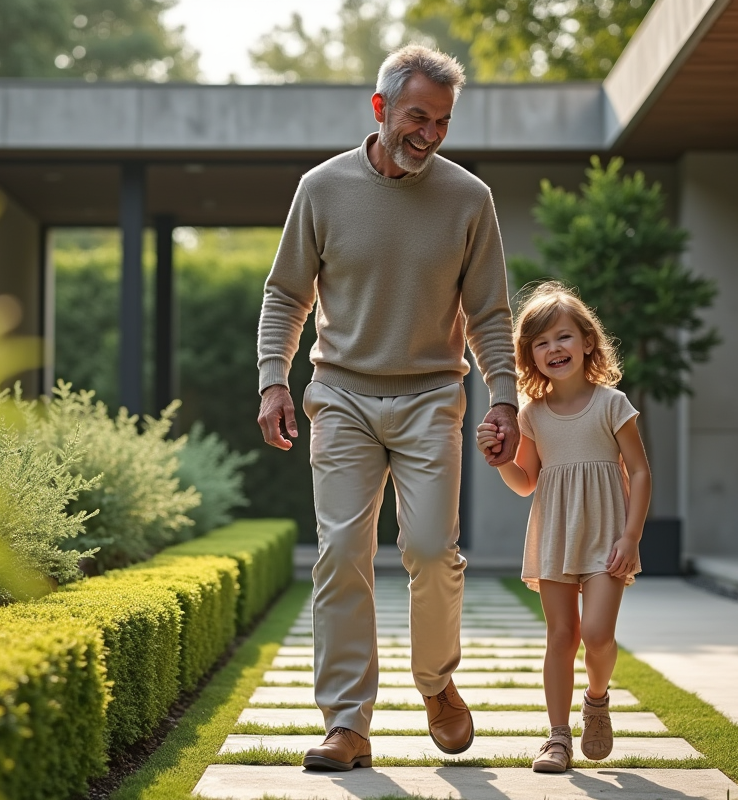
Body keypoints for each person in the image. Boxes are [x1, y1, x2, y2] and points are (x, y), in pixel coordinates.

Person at [256, 45, 520, 771]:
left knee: (432, 551)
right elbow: (286, 295)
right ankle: (347, 722)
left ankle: (437, 684)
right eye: (417, 117)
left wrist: (504, 398)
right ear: (379, 109)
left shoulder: (469, 199)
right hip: (339, 394)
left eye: (442, 121)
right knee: (343, 552)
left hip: (433, 395)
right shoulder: (321, 188)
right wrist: (273, 380)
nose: (429, 134)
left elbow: (490, 311)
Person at [476, 281, 650, 774]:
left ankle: (596, 699)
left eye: (563, 337)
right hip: (554, 535)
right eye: (541, 342)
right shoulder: (531, 415)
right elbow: (525, 482)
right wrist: (500, 459)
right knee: (561, 636)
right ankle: (556, 738)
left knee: (596, 635)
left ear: (588, 342)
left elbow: (639, 471)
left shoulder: (612, 404)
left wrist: (631, 535)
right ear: (530, 355)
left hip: (608, 537)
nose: (554, 348)